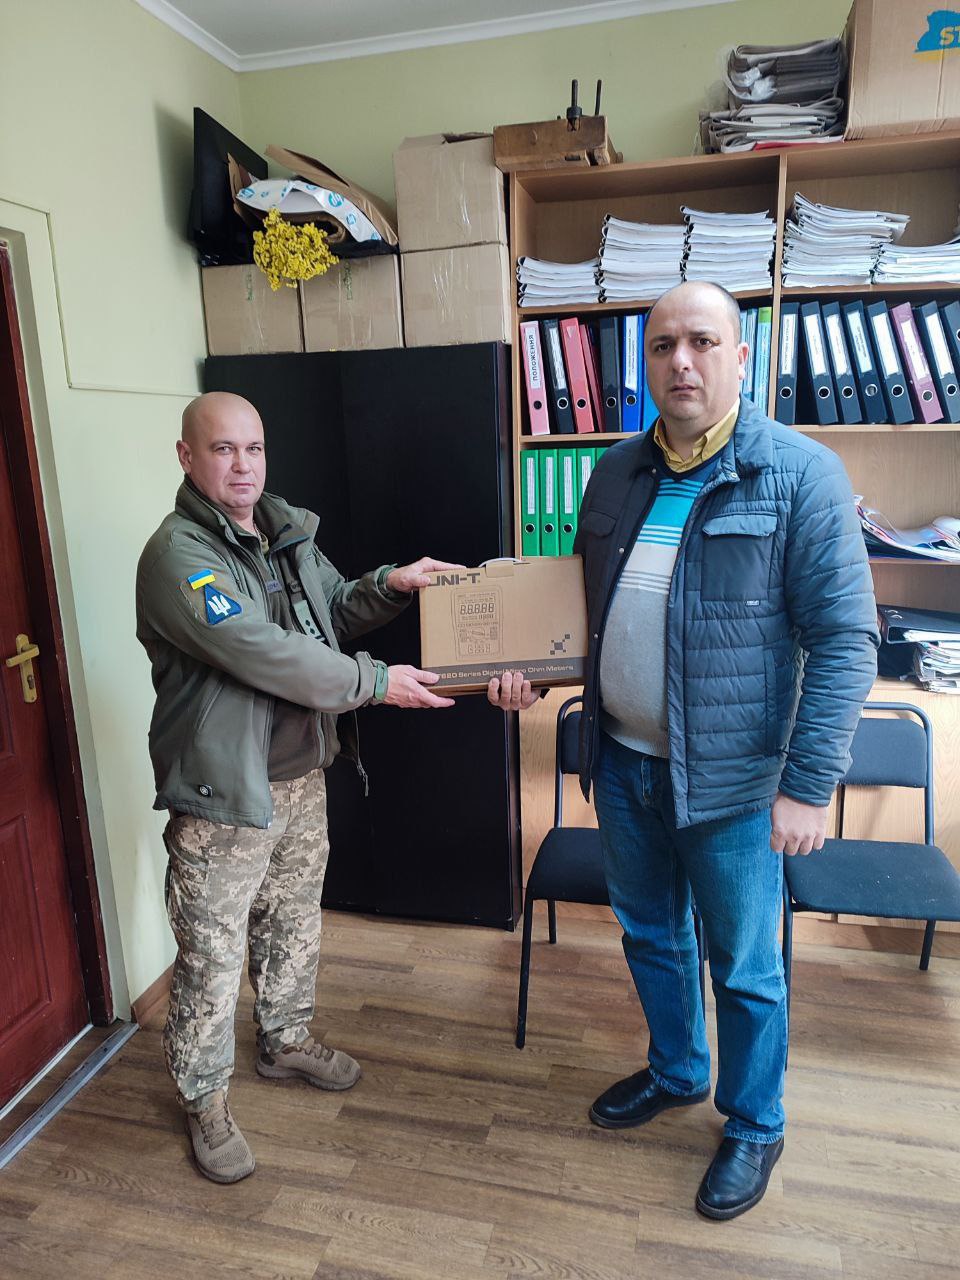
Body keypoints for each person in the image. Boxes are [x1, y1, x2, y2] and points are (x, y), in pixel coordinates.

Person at [489, 282, 878, 1220]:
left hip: (738, 785)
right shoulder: (616, 471)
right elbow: (584, 607)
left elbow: (846, 640)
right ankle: (677, 1070)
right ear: (646, 362)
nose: (682, 362)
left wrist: (808, 785)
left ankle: (755, 1122)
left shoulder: (800, 475)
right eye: (663, 345)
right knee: (652, 936)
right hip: (623, 762)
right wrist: (530, 671)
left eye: (703, 342)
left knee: (744, 966)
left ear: (741, 357)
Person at [136, 391, 459, 1184]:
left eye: (253, 448)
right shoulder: (180, 556)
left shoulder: (283, 533)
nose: (242, 465)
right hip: (223, 796)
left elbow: (330, 612)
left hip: (300, 778)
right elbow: (263, 650)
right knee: (212, 957)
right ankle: (205, 1100)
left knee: (292, 925)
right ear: (186, 456)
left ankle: (283, 1042)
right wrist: (375, 682)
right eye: (222, 450)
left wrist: (392, 583)